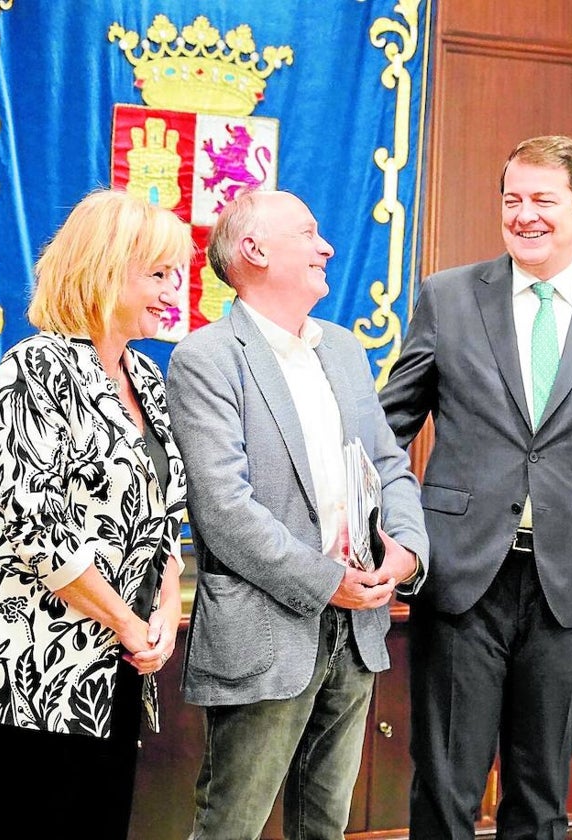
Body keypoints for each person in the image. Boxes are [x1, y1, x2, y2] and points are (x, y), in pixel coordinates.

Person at [379, 135, 572, 839]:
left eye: (544, 200)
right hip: (460, 575)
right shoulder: (447, 298)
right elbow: (389, 429)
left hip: (571, 585)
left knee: (541, 795)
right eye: (513, 200)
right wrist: (393, 533)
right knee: (446, 785)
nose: (526, 216)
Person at [167, 189, 428, 840]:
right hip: (266, 630)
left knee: (326, 828)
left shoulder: (343, 349)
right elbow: (224, 508)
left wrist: (407, 549)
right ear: (254, 251)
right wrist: (324, 580)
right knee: (231, 826)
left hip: (358, 629)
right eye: (308, 233)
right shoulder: (207, 358)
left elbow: (389, 463)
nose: (327, 247)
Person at [0, 189, 193, 839]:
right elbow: (37, 531)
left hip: (117, 677)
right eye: (159, 274)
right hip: (27, 673)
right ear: (106, 269)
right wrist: (129, 624)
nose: (174, 292)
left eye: (178, 276)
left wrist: (165, 610)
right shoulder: (33, 371)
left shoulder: (148, 381)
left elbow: (162, 516)